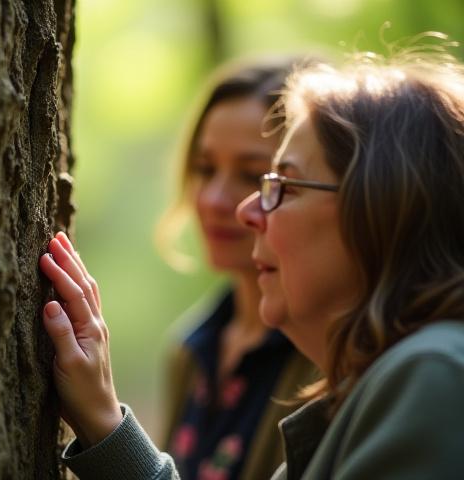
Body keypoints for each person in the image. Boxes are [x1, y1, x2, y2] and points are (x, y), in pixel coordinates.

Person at [39, 36, 464, 480]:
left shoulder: (434, 373)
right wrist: (103, 423)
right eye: (205, 169)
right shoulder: (356, 389)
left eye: (285, 186)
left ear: (383, 211)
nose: (239, 207)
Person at [155, 58, 318, 480]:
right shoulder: (189, 350)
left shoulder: (331, 365)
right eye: (206, 168)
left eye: (253, 176)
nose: (213, 199)